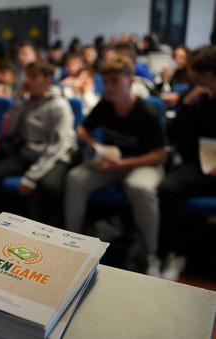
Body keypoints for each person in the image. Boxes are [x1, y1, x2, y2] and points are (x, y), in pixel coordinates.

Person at [64, 55, 167, 277]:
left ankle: (151, 255)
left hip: (142, 164)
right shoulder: (105, 106)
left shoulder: (146, 112)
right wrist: (93, 143)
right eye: (105, 81)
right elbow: (82, 130)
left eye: (115, 81)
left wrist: (123, 164)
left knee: (139, 187)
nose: (108, 87)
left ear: (130, 81)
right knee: (75, 178)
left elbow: (159, 156)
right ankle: (73, 246)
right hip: (112, 163)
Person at [0, 60, 77, 226]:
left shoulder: (59, 106)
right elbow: (8, 131)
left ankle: (49, 230)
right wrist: (18, 102)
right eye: (27, 75)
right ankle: (9, 221)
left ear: (47, 81)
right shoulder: (26, 101)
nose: (27, 81)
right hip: (30, 152)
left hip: (57, 155)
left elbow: (58, 147)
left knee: (50, 186)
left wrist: (31, 177)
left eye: (33, 77)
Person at [157, 45, 216, 281]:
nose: (196, 79)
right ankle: (175, 252)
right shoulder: (197, 96)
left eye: (200, 74)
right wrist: (187, 106)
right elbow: (173, 135)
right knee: (167, 188)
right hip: (200, 166)